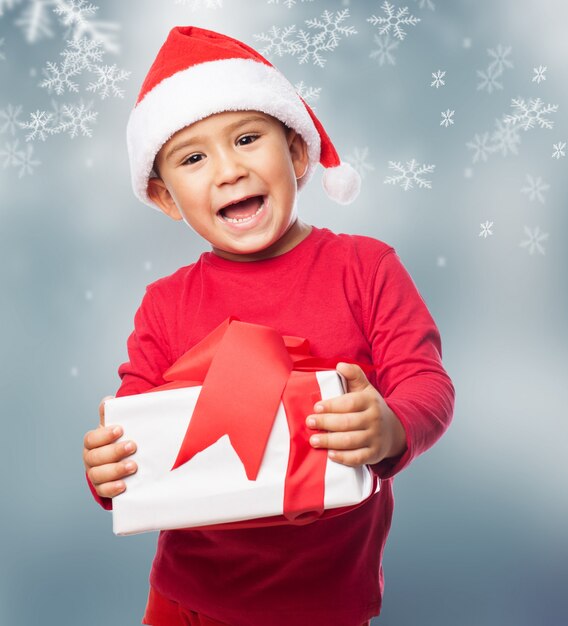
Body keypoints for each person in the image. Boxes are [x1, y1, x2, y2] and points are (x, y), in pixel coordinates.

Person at [82, 26, 455, 626]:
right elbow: (134, 427)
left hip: (325, 602)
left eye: (248, 139)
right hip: (186, 599)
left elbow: (427, 383)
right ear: (166, 198)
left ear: (298, 154)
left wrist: (390, 428)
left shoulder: (366, 268)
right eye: (194, 158)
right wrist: (109, 470)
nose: (228, 171)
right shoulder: (164, 303)